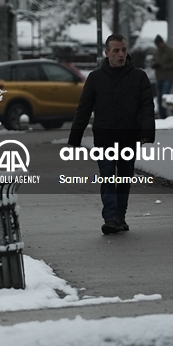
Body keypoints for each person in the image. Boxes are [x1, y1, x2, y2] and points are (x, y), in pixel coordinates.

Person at [67, 34, 156, 235]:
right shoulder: (96, 78)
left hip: (128, 137)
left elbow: (146, 107)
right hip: (105, 137)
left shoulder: (139, 77)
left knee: (124, 179)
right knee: (108, 177)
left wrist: (147, 133)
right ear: (107, 53)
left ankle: (120, 217)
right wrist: (75, 138)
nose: (121, 54)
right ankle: (110, 217)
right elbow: (84, 109)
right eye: (116, 50)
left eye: (123, 50)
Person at [151, 35, 173, 118]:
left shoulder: (170, 51)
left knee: (164, 96)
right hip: (159, 77)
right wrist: (154, 65)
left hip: (168, 77)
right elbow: (153, 61)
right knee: (159, 98)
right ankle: (163, 116)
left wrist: (163, 66)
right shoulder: (156, 52)